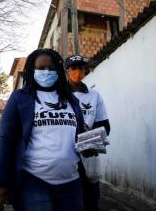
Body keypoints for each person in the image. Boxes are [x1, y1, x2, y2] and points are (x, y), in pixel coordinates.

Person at [0, 48, 87, 211]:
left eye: (51, 68)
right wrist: (0, 183)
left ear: (58, 70)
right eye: (41, 68)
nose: (46, 72)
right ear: (31, 71)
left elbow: (80, 137)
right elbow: (6, 140)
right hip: (34, 182)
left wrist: (89, 146)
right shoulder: (20, 98)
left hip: (72, 183)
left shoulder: (71, 100)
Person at [65, 54, 111, 211]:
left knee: (90, 201)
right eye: (74, 68)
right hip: (64, 157)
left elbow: (104, 125)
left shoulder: (94, 95)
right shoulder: (58, 96)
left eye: (81, 68)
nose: (78, 71)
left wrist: (89, 139)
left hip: (88, 154)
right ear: (67, 71)